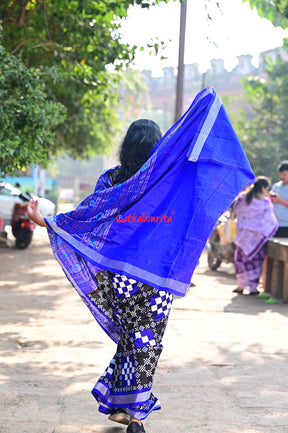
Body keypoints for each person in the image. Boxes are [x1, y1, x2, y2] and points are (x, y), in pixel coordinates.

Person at [27, 87, 255, 433]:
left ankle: (121, 406)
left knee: (132, 335)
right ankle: (135, 413)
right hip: (157, 276)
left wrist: (47, 221)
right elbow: (199, 197)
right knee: (146, 339)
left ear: (127, 146)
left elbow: (87, 217)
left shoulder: (112, 181)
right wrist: (207, 112)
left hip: (121, 276)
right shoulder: (169, 181)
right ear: (159, 145)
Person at [232, 176, 278, 295]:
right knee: (255, 262)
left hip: (242, 236)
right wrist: (260, 229)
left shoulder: (242, 198)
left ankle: (241, 286)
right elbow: (270, 221)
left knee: (241, 261)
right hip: (256, 238)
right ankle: (253, 288)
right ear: (263, 187)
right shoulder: (265, 202)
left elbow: (236, 211)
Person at [269, 160, 288, 237]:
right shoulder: (276, 186)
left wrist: (279, 200)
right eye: (280, 174)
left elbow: (279, 200)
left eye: (284, 174)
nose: (282, 177)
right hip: (275, 225)